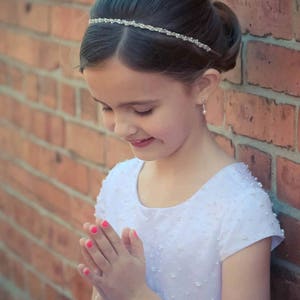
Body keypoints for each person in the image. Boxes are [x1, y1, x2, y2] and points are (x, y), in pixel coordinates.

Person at [76, 1, 284, 299]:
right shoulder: (119, 182)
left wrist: (136, 294)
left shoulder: (238, 208)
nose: (121, 128)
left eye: (142, 110)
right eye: (107, 107)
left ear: (202, 86)